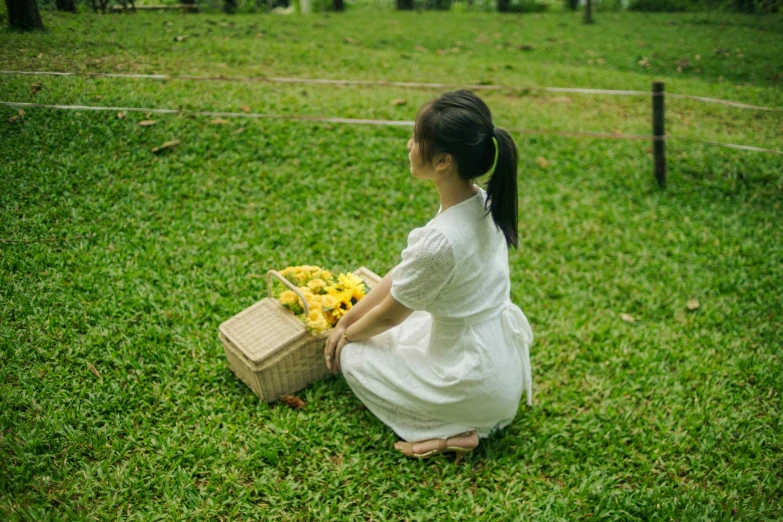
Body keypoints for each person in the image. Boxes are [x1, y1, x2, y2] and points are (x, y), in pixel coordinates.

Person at [324, 90, 533, 459]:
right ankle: (468, 425)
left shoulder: (440, 241)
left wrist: (345, 338)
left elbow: (389, 314)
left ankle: (446, 431)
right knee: (394, 326)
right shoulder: (480, 202)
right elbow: (404, 275)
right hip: (500, 374)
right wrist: (347, 319)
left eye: (417, 140)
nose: (409, 145)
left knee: (354, 358)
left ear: (443, 161)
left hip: (470, 380)